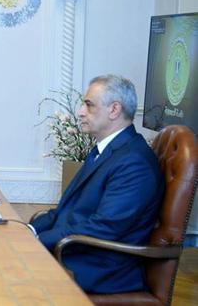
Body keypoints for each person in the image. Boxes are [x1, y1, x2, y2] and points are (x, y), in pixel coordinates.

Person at [30, 74, 164, 294]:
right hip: (75, 250)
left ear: (114, 110)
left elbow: (102, 228)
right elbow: (65, 210)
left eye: (89, 105)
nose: (80, 112)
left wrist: (36, 243)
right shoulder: (106, 150)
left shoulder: (134, 162)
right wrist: (30, 231)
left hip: (100, 268)